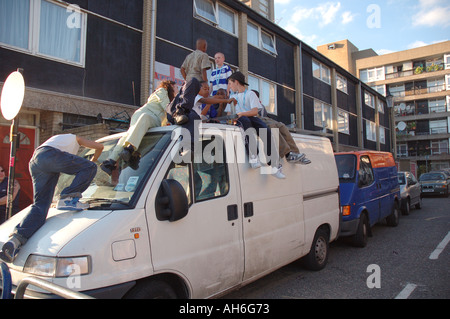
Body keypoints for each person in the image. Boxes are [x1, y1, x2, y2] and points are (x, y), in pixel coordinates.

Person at [0, 134, 103, 263]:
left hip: (36, 160)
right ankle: (69, 197)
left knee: (41, 205)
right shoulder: (75, 138)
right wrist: (93, 160)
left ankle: (15, 240)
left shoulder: (59, 141)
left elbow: (56, 180)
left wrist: (55, 200)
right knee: (90, 167)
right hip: (48, 155)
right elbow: (100, 146)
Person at [101, 80, 177, 175]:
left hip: (143, 116)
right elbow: (167, 107)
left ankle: (111, 161)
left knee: (128, 135)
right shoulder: (162, 91)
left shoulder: (166, 97)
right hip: (148, 115)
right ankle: (130, 151)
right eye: (176, 87)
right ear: (170, 86)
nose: (177, 89)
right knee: (144, 120)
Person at [225, 72, 284, 179]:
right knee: (246, 123)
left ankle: (274, 165)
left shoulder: (250, 94)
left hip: (248, 116)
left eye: (230, 83)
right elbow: (229, 114)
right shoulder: (232, 97)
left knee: (266, 130)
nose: (229, 86)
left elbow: (254, 112)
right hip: (240, 119)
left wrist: (242, 113)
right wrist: (233, 119)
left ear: (236, 82)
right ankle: (253, 157)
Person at [252, 90, 311, 165]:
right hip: (256, 119)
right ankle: (287, 154)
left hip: (265, 119)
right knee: (272, 127)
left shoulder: (261, 106)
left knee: (282, 126)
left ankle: (295, 153)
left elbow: (265, 116)